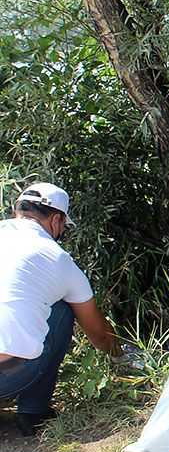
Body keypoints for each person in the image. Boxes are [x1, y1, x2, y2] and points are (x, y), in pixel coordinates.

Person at [0, 183, 119, 436]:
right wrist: (122, 355)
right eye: (64, 226)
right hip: (6, 372)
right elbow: (98, 335)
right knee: (63, 311)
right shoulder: (57, 259)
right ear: (56, 219)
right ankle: (33, 412)